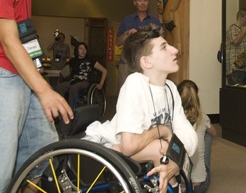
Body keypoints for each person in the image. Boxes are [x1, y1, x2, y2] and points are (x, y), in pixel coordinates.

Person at [0, 0, 73, 191]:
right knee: (2, 167)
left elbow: (24, 30)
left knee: (44, 148)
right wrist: (45, 91)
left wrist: (37, 71)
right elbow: (7, 38)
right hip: (3, 75)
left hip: (22, 75)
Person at [84, 25, 197, 193]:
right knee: (161, 147)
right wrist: (164, 132)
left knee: (165, 149)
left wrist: (175, 158)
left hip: (139, 148)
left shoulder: (171, 88)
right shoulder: (135, 83)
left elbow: (188, 135)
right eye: (164, 47)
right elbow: (129, 146)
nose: (175, 50)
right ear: (146, 61)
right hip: (106, 149)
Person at [116, 0, 161, 90]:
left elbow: (160, 44)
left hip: (148, 62)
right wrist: (126, 34)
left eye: (145, 0)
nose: (143, 3)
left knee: (146, 92)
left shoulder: (155, 21)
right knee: (125, 91)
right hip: (127, 62)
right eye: (140, 0)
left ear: (148, 2)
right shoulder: (126, 20)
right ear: (135, 2)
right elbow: (117, 42)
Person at [178, 80, 216, 193]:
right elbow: (214, 133)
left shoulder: (173, 118)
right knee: (208, 136)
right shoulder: (202, 117)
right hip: (199, 184)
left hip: (176, 181)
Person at [55, 42, 107, 106]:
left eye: (85, 49)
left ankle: (72, 111)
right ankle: (62, 107)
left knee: (74, 88)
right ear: (77, 50)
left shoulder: (91, 60)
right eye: (81, 49)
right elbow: (65, 71)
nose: (83, 51)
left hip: (85, 81)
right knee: (59, 87)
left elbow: (104, 71)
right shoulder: (73, 61)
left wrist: (101, 83)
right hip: (74, 80)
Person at [225, 9, 246, 85]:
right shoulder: (233, 28)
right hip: (236, 69)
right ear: (241, 17)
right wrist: (243, 30)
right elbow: (235, 42)